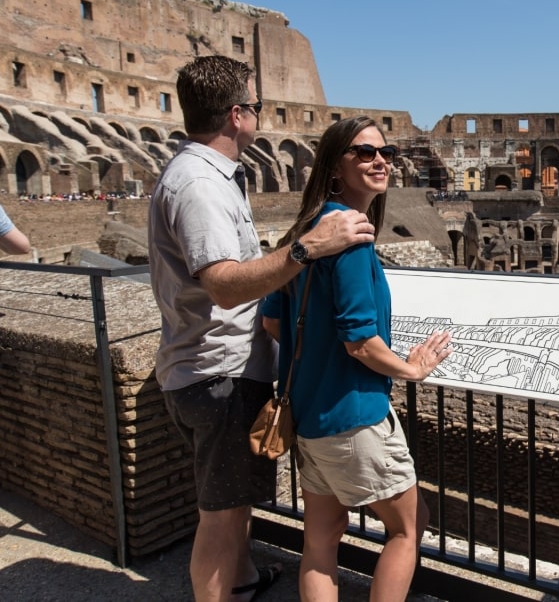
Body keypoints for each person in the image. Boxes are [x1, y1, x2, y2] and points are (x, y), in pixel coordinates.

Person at [148, 56, 375, 602]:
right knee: (220, 515)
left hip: (209, 367)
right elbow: (225, 284)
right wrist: (305, 249)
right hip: (217, 374)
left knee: (233, 500)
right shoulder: (200, 184)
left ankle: (244, 580)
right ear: (236, 116)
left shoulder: (208, 176)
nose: (259, 117)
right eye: (255, 107)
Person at [262, 116, 452, 602]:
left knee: (320, 541)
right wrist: (411, 368)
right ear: (333, 167)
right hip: (355, 416)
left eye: (384, 152)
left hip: (309, 416)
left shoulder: (303, 233)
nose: (379, 160)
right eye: (363, 153)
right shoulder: (349, 239)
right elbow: (360, 343)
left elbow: (273, 323)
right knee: (409, 529)